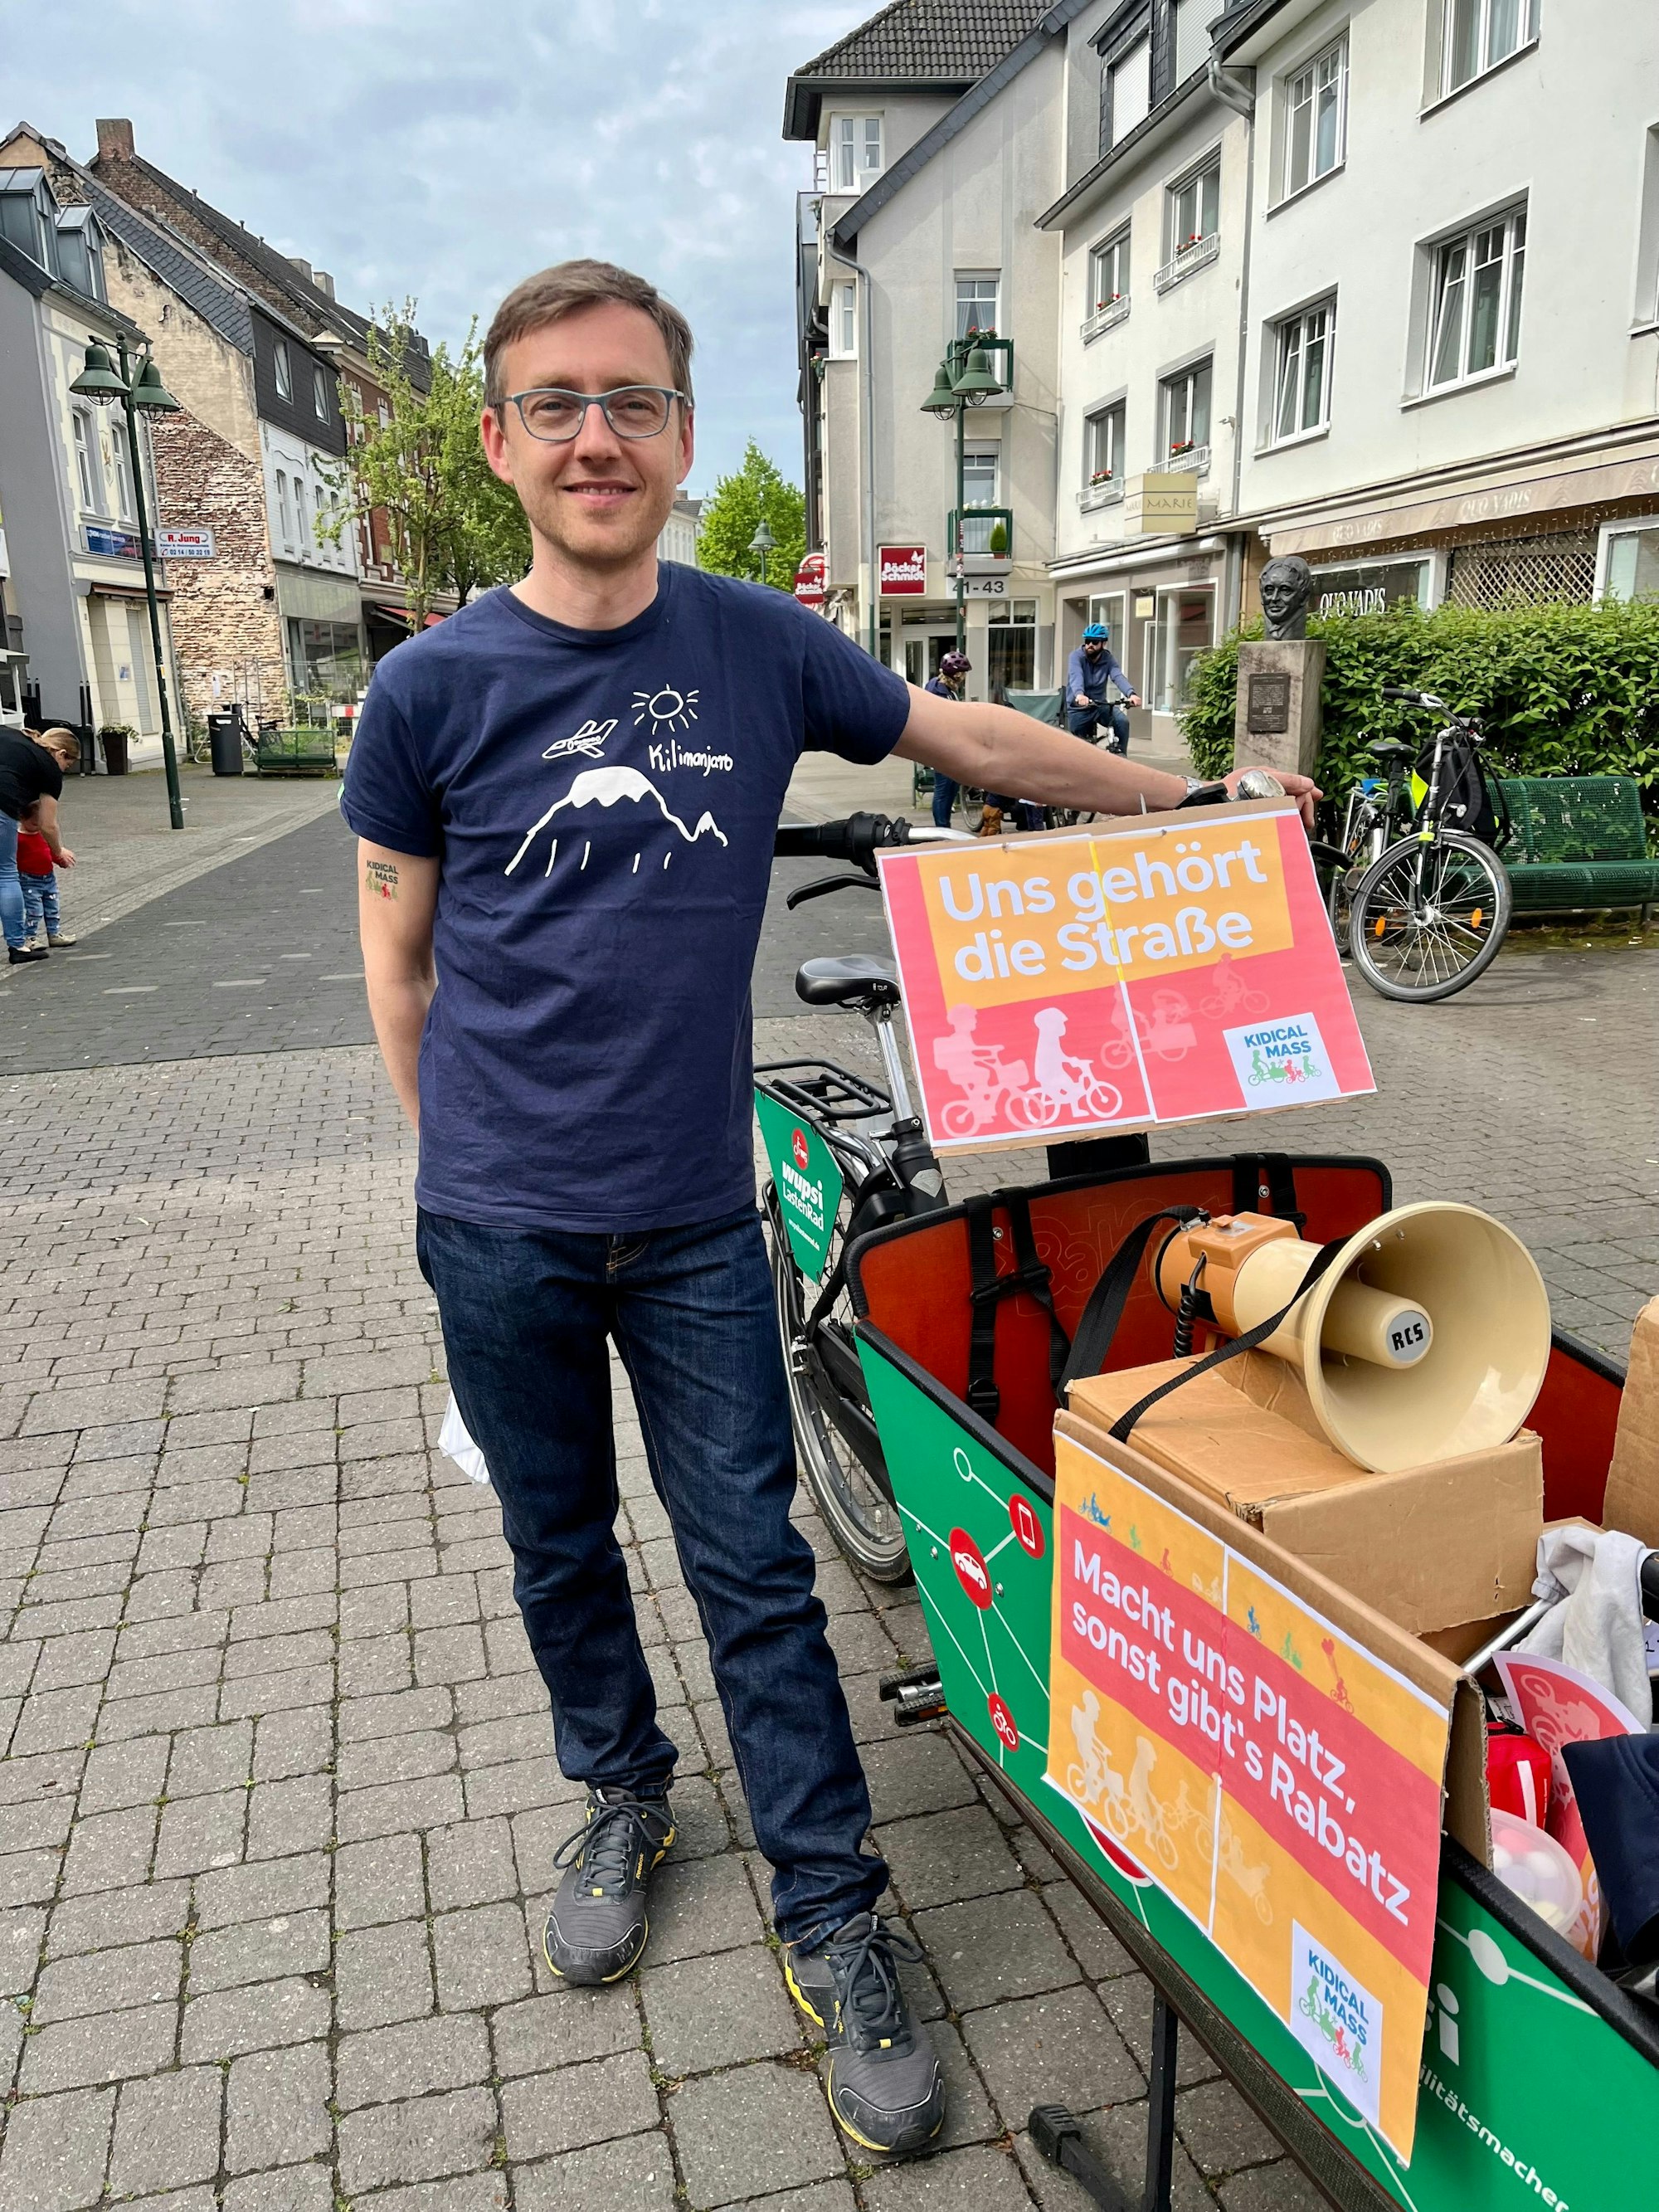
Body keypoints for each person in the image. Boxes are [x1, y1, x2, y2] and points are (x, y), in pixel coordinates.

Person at [343, 257, 1316, 2161]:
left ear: (681, 436)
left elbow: (969, 743)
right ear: (502, 442)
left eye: (630, 400)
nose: (596, 435)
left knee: (755, 1567)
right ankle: (621, 1789)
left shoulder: (757, 648)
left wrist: (1182, 795)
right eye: (555, 403)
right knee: (555, 1544)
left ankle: (831, 1903)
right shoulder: (426, 688)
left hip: (696, 1224)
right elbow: (398, 960)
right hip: (496, 1227)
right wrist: (459, 1169)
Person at [0, 727, 75, 966]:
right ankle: (18, 946)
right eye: (67, 765)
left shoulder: (11, 734)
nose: (63, 770)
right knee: (6, 874)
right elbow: (47, 825)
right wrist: (57, 851)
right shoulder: (49, 768)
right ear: (61, 754)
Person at [1068, 623, 1139, 755]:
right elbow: (1076, 676)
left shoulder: (1108, 659)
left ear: (1103, 643)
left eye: (1095, 642)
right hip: (1078, 707)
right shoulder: (1076, 657)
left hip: (1099, 705)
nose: (1090, 645)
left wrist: (1131, 693)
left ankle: (1121, 756)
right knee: (1080, 746)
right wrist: (1079, 694)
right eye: (1088, 641)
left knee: (1122, 722)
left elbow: (1117, 676)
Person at [924, 650, 970, 828]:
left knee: (951, 788)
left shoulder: (944, 688)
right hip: (942, 747)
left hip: (949, 746)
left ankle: (945, 826)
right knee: (943, 790)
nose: (964, 677)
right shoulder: (939, 692)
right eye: (963, 674)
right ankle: (942, 828)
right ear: (956, 674)